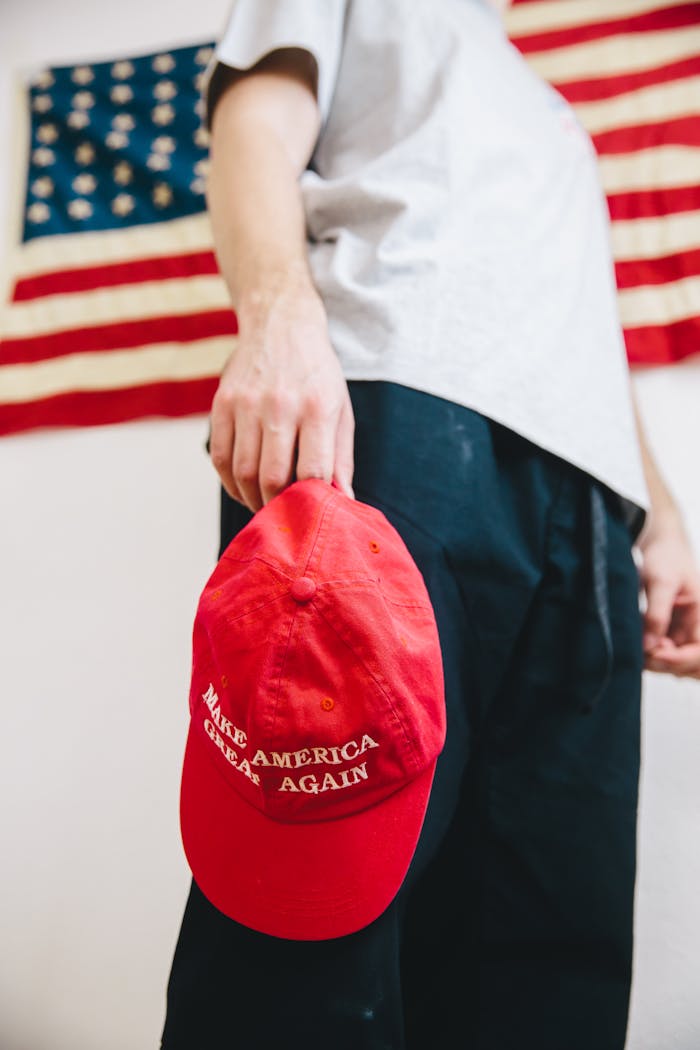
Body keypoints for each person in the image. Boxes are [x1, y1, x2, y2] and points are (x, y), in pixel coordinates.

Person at [161, 1, 700, 1047]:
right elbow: (253, 127)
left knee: (552, 943)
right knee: (313, 926)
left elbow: (577, 319)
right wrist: (275, 318)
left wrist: (662, 518)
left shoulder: (550, 111)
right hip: (392, 415)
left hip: (585, 502)